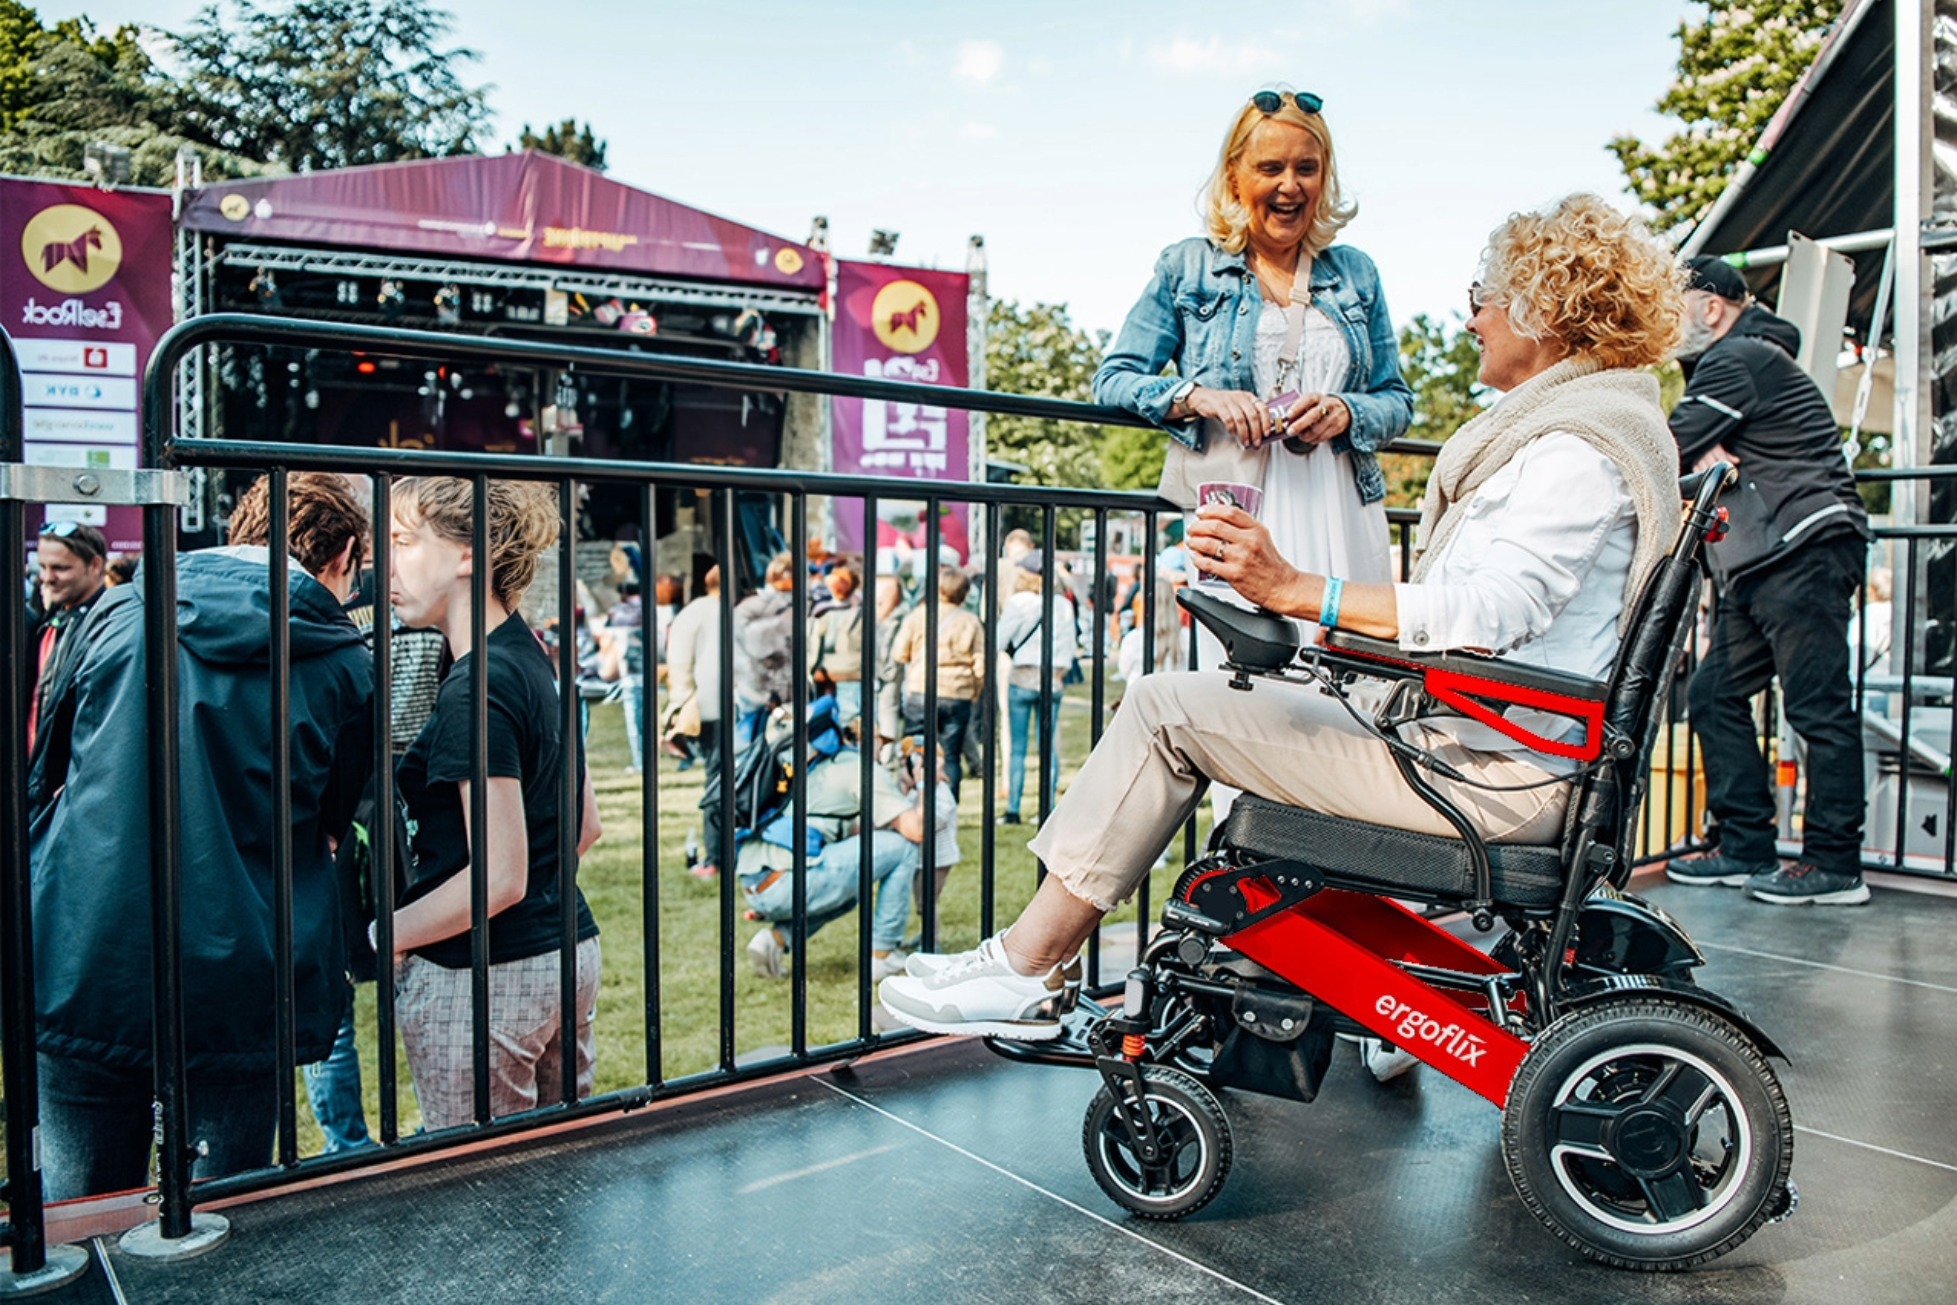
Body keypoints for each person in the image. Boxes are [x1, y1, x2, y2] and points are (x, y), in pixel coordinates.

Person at [882, 194, 1686, 1041]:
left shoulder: (1570, 451)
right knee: (1190, 697)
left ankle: (1025, 966)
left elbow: (1489, 612)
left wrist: (1297, 590)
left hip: (1489, 782)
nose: (1472, 313)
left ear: (1543, 310)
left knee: (1164, 707)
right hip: (1498, 756)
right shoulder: (1597, 431)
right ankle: (1040, 960)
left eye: (1483, 292)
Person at [28, 473, 374, 1198]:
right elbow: (336, 824)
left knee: (80, 1215)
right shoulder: (344, 660)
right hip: (245, 969)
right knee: (224, 1218)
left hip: (87, 949)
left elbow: (48, 772)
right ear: (344, 553)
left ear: (239, 530)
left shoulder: (117, 613)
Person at [1093, 88, 1411, 820]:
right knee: (1245, 698)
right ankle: (1250, 889)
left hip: (1339, 508)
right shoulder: (1187, 267)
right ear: (1236, 175)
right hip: (1238, 514)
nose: (1290, 186)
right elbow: (1115, 377)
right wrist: (1196, 396)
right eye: (1271, 167)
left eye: (1307, 167)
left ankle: (1348, 874)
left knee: (1350, 694)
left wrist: (1345, 410)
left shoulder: (1355, 272)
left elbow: (1397, 398)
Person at [383, 476, 603, 1131]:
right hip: (563, 951)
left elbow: (500, 876)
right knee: (560, 1172)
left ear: (467, 553)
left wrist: (381, 934)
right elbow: (583, 823)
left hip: (483, 973)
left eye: (401, 541)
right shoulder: (529, 655)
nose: (384, 563)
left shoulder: (473, 686)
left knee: (478, 1195)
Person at [1662, 255, 1874, 906]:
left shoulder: (1740, 359)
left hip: (1802, 546)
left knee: (1815, 705)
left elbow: (1667, 446)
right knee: (1713, 693)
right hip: (1762, 560)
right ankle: (1744, 844)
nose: (1664, 321)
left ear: (1712, 308)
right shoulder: (1737, 363)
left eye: (1674, 304)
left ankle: (1834, 863)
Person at [741, 700, 929, 983]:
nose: (884, 748)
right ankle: (883, 954)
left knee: (853, 891)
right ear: (859, 737)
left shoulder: (811, 762)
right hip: (785, 882)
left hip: (756, 882)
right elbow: (916, 831)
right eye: (881, 740)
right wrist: (927, 783)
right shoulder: (858, 766)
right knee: (902, 849)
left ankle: (775, 939)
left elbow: (855, 835)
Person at [892, 565, 986, 801]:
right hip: (958, 693)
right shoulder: (970, 621)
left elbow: (899, 653)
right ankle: (948, 803)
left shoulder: (918, 616)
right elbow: (980, 663)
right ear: (964, 593)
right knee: (951, 755)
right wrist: (974, 691)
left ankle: (914, 799)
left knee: (915, 749)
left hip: (922, 689)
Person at [997, 553, 1076, 824]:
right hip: (1052, 678)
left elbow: (999, 639)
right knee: (1047, 747)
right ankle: (1048, 808)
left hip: (1022, 676)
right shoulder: (1064, 605)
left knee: (1018, 747)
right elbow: (1069, 646)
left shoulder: (1019, 603)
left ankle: (1013, 809)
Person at [25, 519, 109, 753]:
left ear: (94, 564)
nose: (47, 578)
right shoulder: (46, 621)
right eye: (42, 567)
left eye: (60, 568)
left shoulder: (107, 624)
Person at [666, 564, 725, 874]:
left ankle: (716, 856)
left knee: (716, 779)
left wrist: (680, 705)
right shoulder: (742, 609)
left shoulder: (692, 612)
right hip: (744, 703)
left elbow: (678, 662)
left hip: (707, 705)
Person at [732, 551, 798, 749]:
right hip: (754, 686)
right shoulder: (751, 607)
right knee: (749, 739)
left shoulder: (793, 604)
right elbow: (744, 651)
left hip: (781, 685)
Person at [809, 561, 866, 729]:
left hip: (832, 672)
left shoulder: (824, 612)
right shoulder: (861, 611)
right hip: (851, 672)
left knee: (829, 718)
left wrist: (813, 668)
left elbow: (818, 643)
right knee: (850, 717)